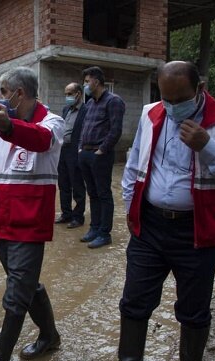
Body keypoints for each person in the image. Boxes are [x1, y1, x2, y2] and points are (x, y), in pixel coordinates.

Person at [93, 61, 215, 361]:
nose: (171, 107)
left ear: (200, 88)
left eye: (179, 99)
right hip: (150, 226)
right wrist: (130, 207)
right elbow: (135, 161)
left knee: (194, 308)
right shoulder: (151, 113)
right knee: (134, 301)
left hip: (197, 231)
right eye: (165, 98)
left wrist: (208, 146)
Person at [0, 67, 64, 361]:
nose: (0, 97)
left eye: (3, 90)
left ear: (20, 93)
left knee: (15, 297)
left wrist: (10, 126)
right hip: (4, 222)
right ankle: (50, 336)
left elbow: (40, 141)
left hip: (31, 224)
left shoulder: (53, 122)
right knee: (26, 285)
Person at [78, 66, 126, 248]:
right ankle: (94, 228)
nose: (85, 85)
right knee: (93, 193)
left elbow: (116, 130)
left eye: (87, 81)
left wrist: (102, 150)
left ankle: (105, 233)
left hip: (100, 155)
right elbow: (84, 128)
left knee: (103, 193)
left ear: (96, 82)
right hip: (86, 153)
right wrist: (81, 149)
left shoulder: (114, 101)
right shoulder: (90, 103)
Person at [55, 82, 87, 229]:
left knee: (77, 185)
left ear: (78, 94)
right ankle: (66, 213)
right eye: (66, 94)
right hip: (63, 150)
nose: (67, 97)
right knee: (63, 184)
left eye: (69, 94)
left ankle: (78, 217)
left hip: (75, 151)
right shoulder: (66, 109)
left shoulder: (86, 110)